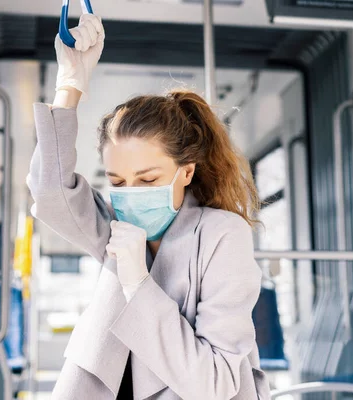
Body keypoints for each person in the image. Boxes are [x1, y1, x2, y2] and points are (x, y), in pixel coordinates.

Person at [27, 13, 270, 400]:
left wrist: (137, 283)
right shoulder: (114, 228)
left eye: (148, 179)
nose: (131, 194)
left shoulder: (223, 234)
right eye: (118, 182)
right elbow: (50, 192)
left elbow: (216, 383)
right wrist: (70, 84)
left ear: (186, 172)